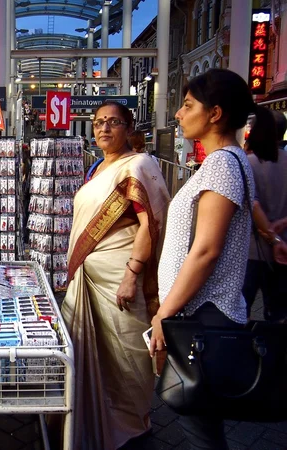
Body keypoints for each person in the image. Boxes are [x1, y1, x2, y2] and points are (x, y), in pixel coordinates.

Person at [150, 68, 279, 449]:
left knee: (199, 423)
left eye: (187, 105)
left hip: (202, 313)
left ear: (215, 113)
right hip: (199, 310)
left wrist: (164, 313)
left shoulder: (223, 163)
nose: (178, 114)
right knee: (200, 420)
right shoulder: (226, 161)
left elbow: (206, 250)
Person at [61, 101, 170, 449]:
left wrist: (131, 274)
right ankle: (92, 418)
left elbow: (150, 223)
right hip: (89, 279)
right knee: (93, 354)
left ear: (129, 127)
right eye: (98, 123)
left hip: (120, 279)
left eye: (113, 122)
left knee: (126, 354)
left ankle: (129, 425)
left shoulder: (138, 165)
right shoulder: (97, 168)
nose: (104, 129)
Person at [242, 110, 287, 321]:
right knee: (277, 311)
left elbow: (252, 203)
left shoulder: (247, 163)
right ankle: (275, 351)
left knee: (243, 306)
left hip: (251, 249)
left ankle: (245, 350)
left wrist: (269, 234)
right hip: (283, 250)